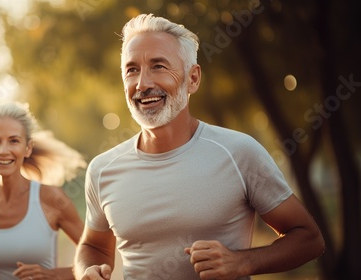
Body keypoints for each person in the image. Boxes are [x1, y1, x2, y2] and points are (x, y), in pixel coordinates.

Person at [74, 14, 325, 280]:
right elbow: (93, 246)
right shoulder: (102, 169)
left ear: (192, 78)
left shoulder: (239, 153)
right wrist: (87, 271)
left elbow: (309, 239)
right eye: (132, 70)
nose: (142, 84)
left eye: (158, 66)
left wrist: (242, 262)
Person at [0, 101, 87, 280]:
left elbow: (95, 254)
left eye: (14, 141)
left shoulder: (51, 199)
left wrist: (53, 275)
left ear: (28, 148)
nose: (3, 150)